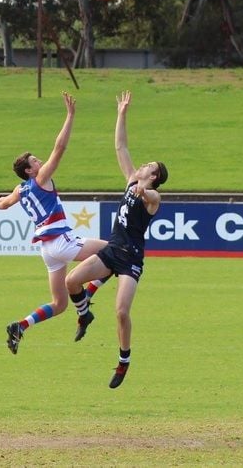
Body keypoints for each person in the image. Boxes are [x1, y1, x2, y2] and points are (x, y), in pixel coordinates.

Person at [0, 92, 110, 354]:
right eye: (35, 161)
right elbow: (60, 148)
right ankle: (86, 303)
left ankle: (21, 325)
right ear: (30, 170)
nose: (40, 161)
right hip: (61, 241)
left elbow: (3, 205)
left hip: (47, 251)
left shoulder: (21, 189)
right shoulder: (41, 179)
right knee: (115, 252)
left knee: (59, 303)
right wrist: (70, 115)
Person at [65, 90, 168, 389]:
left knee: (121, 312)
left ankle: (124, 361)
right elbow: (121, 145)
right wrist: (121, 113)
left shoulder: (153, 196)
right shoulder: (130, 181)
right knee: (72, 282)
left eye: (149, 166)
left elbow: (148, 196)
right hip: (111, 251)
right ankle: (84, 314)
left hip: (130, 260)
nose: (143, 164)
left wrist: (144, 190)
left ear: (154, 176)